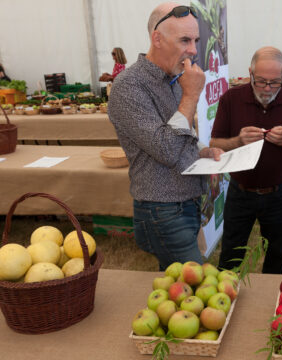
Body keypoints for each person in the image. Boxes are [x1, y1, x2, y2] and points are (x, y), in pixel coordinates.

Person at [108, 2, 224, 270]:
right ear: (156, 39)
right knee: (196, 286)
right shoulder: (128, 86)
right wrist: (191, 95)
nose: (194, 50)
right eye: (185, 40)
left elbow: (180, 135)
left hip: (184, 203)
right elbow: (165, 148)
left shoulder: (175, 78)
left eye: (196, 40)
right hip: (162, 210)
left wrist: (201, 150)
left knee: (177, 289)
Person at [211, 46, 282, 274]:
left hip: (280, 193)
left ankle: (270, 301)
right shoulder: (231, 99)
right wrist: (238, 140)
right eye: (261, 81)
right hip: (240, 191)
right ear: (250, 73)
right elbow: (215, 144)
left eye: (275, 82)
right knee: (230, 255)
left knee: (276, 254)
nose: (267, 89)